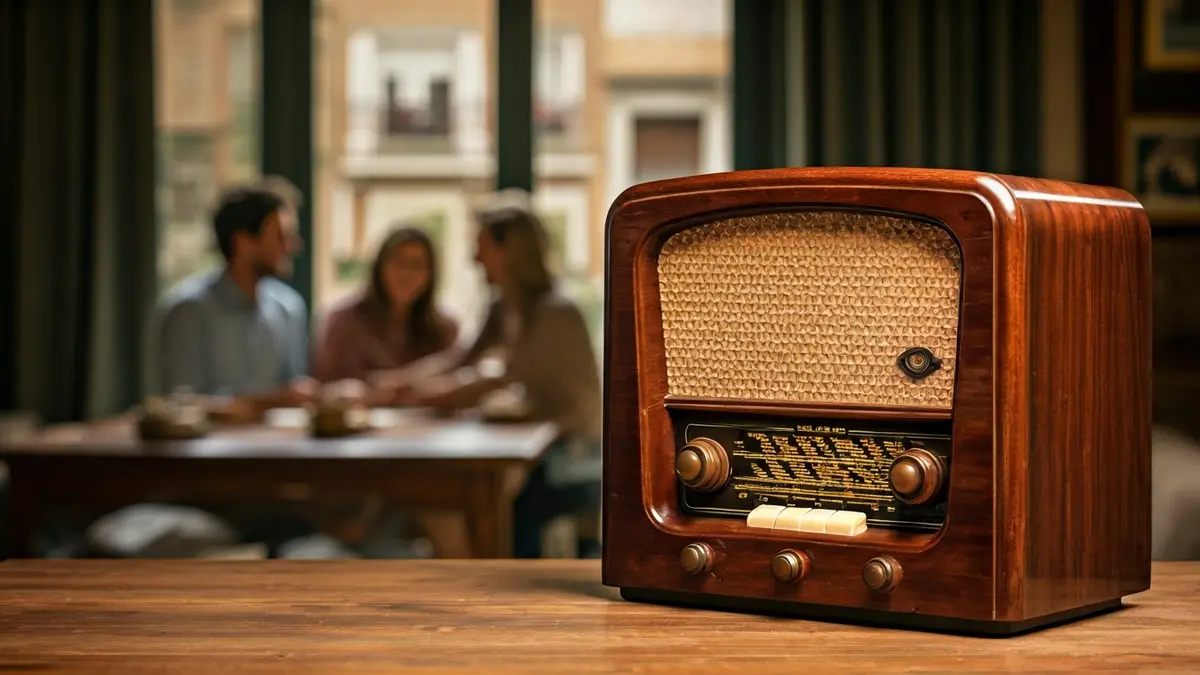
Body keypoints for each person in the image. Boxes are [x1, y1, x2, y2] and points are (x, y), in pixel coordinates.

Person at [402, 190, 603, 558]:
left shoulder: (554, 311)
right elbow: (460, 359)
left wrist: (407, 397)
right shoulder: (503, 304)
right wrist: (395, 382)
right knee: (469, 499)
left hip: (574, 456)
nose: (473, 258)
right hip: (538, 444)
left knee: (497, 507)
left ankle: (504, 595)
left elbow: (492, 382)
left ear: (508, 248)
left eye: (480, 246)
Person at [154, 178, 316, 420]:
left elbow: (294, 396)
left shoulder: (289, 308)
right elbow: (179, 405)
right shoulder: (189, 310)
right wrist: (269, 400)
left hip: (278, 452)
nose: (294, 246)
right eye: (282, 236)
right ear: (243, 242)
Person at [311, 225, 459, 391]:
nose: (406, 273)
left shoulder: (445, 329)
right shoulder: (343, 321)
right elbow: (323, 387)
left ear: (430, 274)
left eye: (417, 265)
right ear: (380, 266)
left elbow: (452, 385)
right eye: (398, 262)